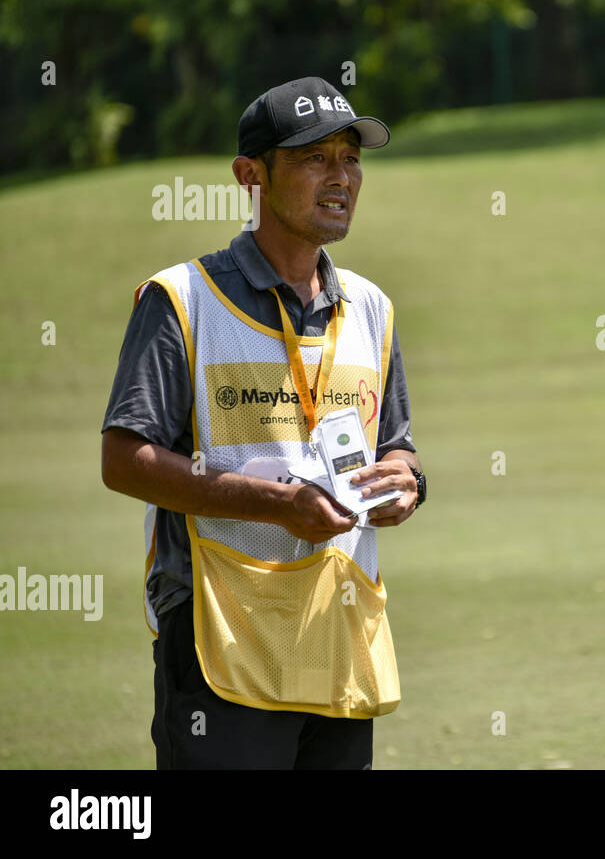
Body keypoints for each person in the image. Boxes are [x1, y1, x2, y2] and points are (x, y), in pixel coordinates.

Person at [101, 76, 426, 769]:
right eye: (315, 158)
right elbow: (124, 459)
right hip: (220, 638)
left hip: (338, 641)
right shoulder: (181, 298)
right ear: (251, 175)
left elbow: (398, 449)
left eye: (352, 157)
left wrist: (407, 482)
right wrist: (277, 505)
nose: (341, 177)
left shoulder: (372, 308)